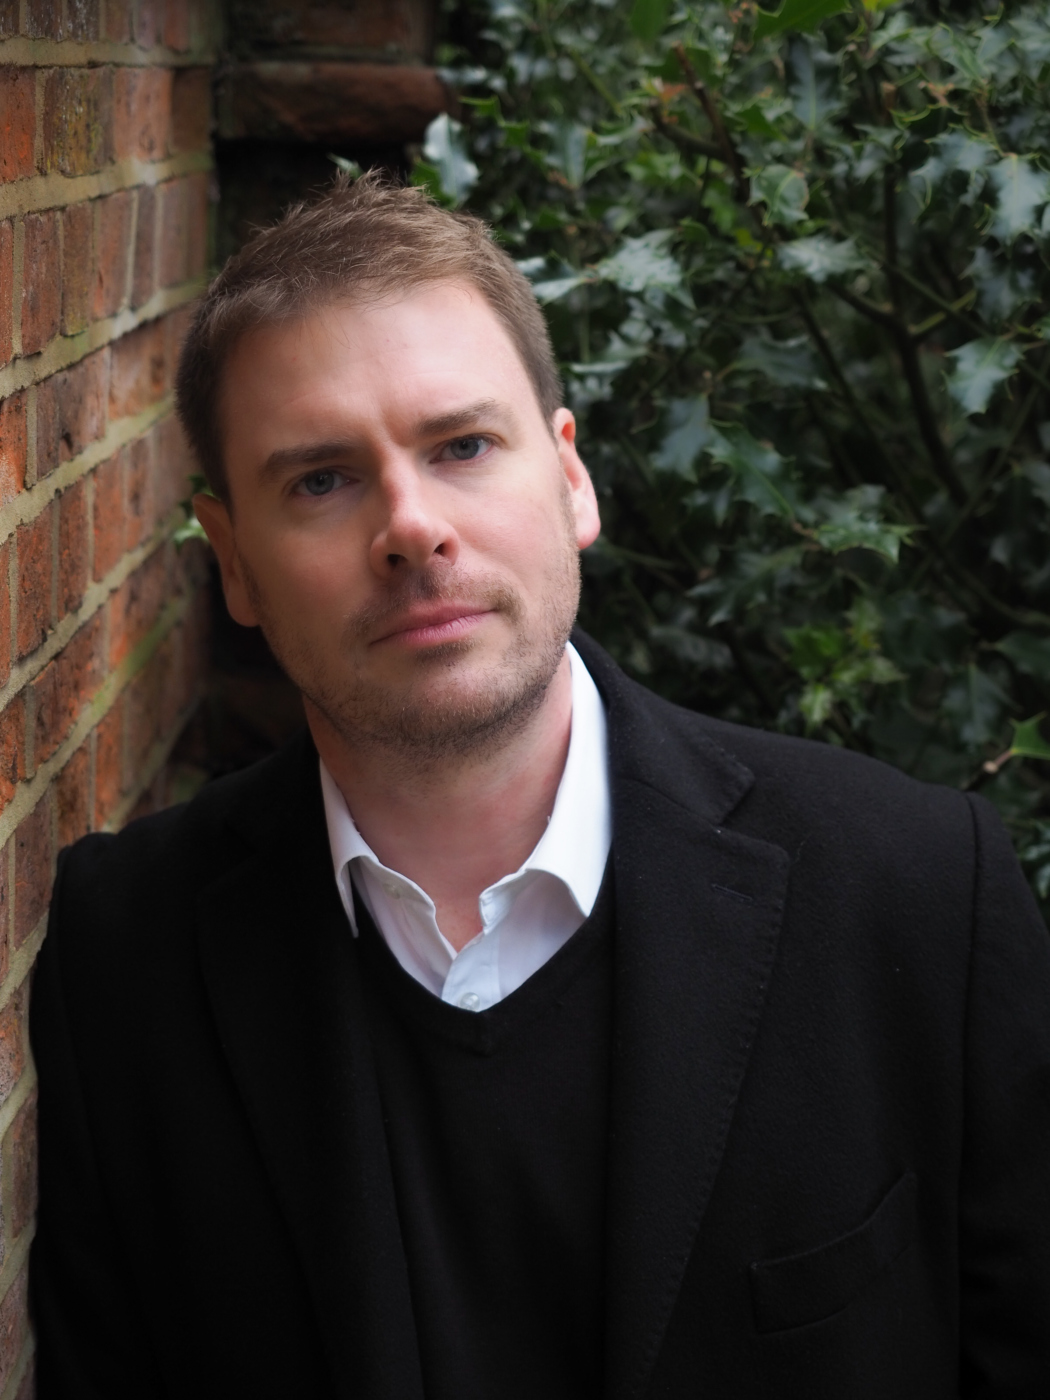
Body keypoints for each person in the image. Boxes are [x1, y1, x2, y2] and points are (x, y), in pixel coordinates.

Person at [29, 172, 1050, 1400]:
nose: (411, 526)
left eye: (462, 445)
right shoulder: (124, 953)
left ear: (572, 481)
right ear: (234, 559)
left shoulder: (916, 892)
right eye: (321, 479)